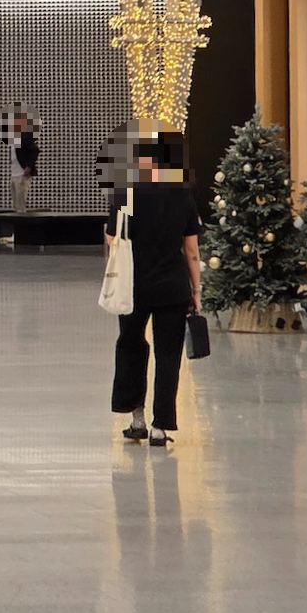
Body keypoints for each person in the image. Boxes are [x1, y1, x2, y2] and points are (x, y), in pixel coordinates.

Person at [109, 134, 202, 448]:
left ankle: (136, 419)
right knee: (168, 355)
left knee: (131, 347)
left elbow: (112, 239)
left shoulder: (125, 195)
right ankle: (160, 426)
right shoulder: (182, 195)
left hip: (132, 287)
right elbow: (191, 251)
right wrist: (196, 290)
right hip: (172, 288)